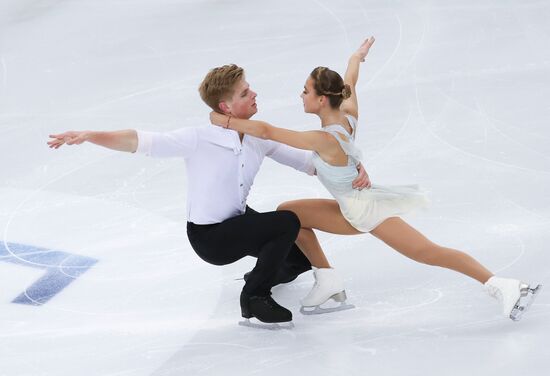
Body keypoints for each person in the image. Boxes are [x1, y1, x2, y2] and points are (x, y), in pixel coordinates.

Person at [209, 37, 542, 321]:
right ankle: (327, 279)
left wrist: (221, 119)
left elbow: (266, 131)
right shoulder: (347, 116)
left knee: (428, 251)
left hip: (365, 211)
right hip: (352, 203)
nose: (301, 95)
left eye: (305, 90)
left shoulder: (323, 139)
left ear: (321, 99)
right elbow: (351, 83)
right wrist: (355, 59)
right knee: (288, 213)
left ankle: (501, 284)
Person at [47, 64, 370, 325]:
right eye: (245, 92)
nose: (254, 93)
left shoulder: (258, 139)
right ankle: (253, 296)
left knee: (299, 255)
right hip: (210, 236)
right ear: (226, 106)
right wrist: (90, 135)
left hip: (238, 222)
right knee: (288, 222)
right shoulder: (198, 138)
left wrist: (352, 168)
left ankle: (260, 276)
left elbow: (311, 164)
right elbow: (139, 141)